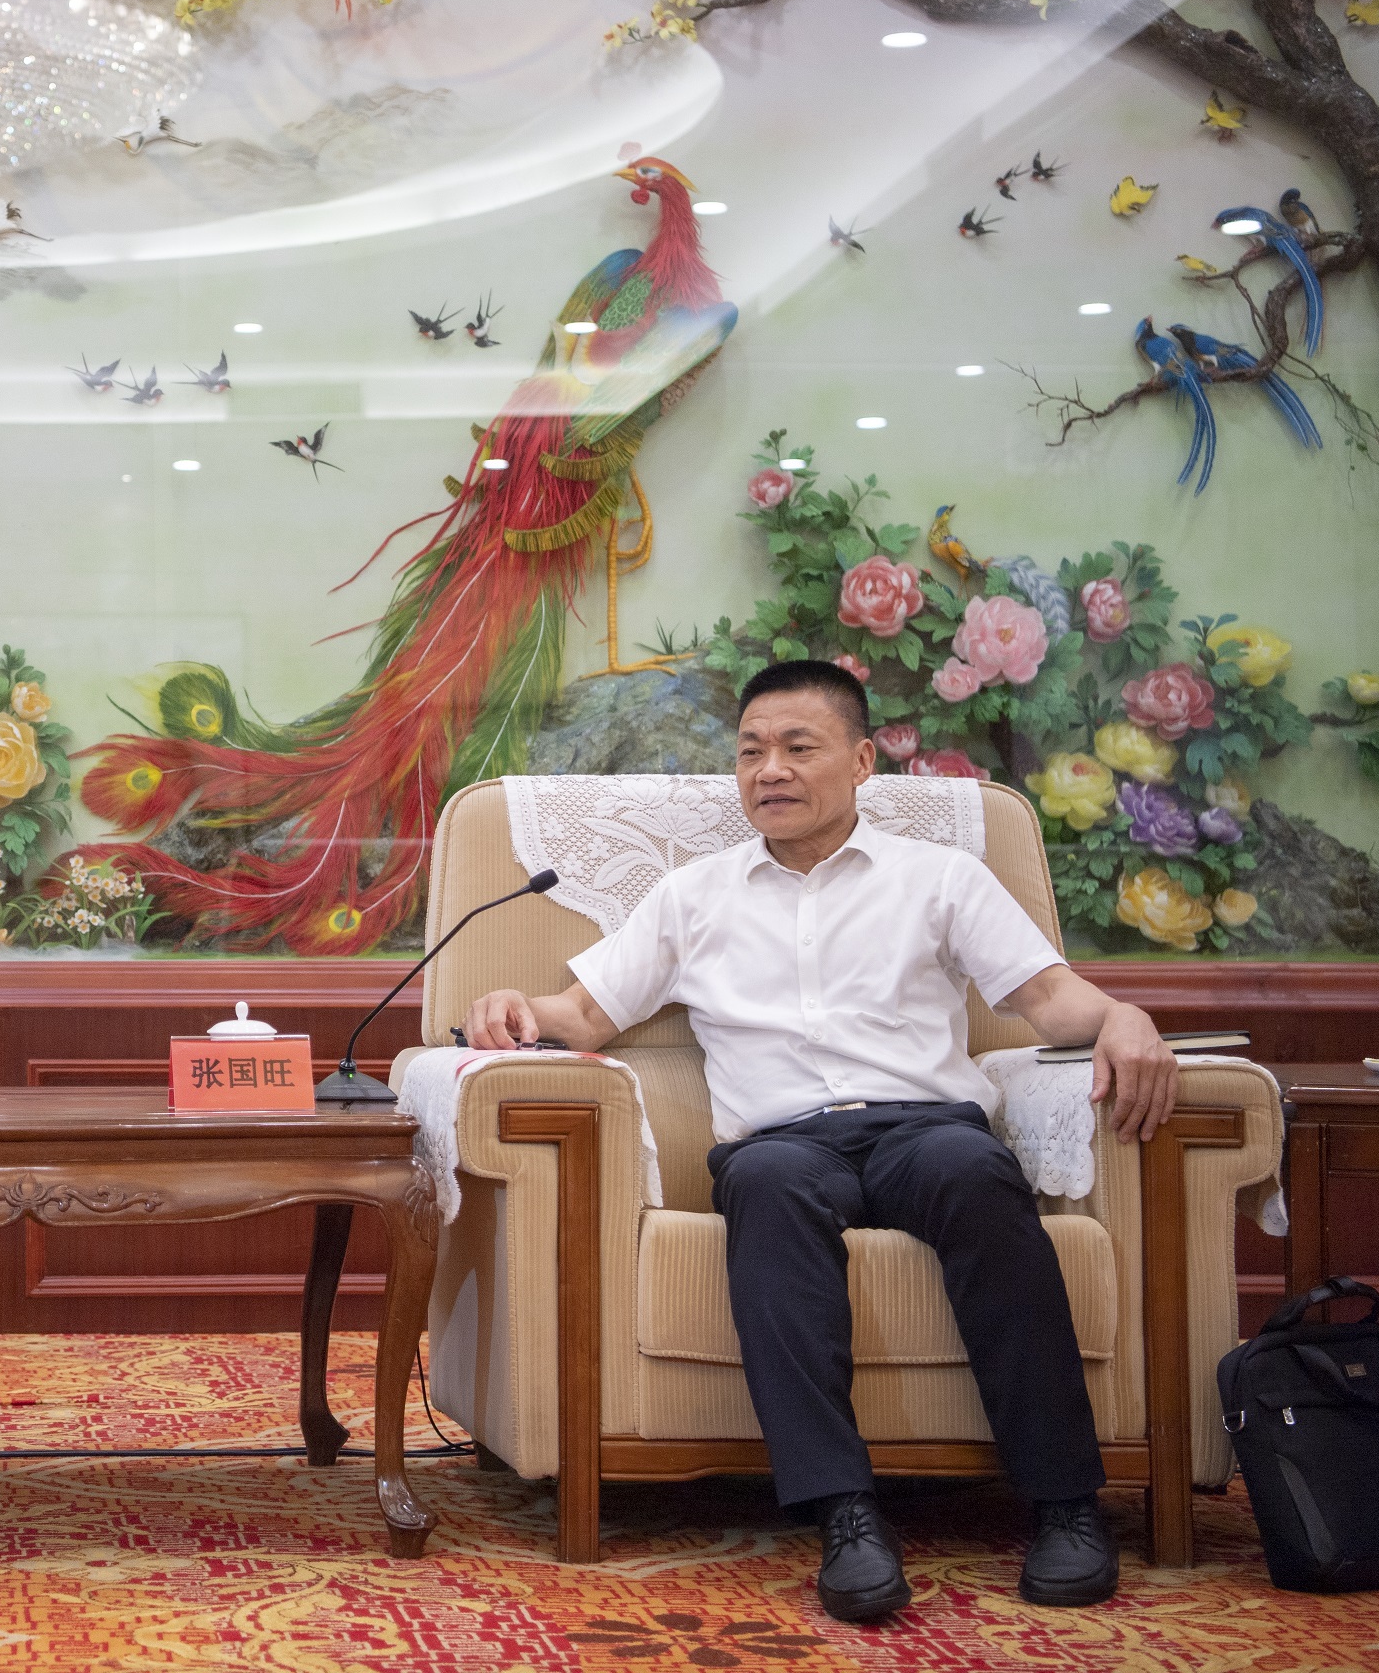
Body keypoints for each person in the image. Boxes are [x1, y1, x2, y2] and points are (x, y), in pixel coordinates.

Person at [464, 658, 1176, 1623]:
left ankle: (1063, 1504)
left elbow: (1045, 997)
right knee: (765, 1189)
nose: (771, 770)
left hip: (925, 1128)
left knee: (979, 1176)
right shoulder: (694, 894)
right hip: (782, 1144)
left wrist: (1124, 1016)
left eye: (799, 748)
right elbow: (587, 1011)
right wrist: (521, 1006)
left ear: (863, 760)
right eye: (753, 751)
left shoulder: (940, 879)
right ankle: (844, 1514)